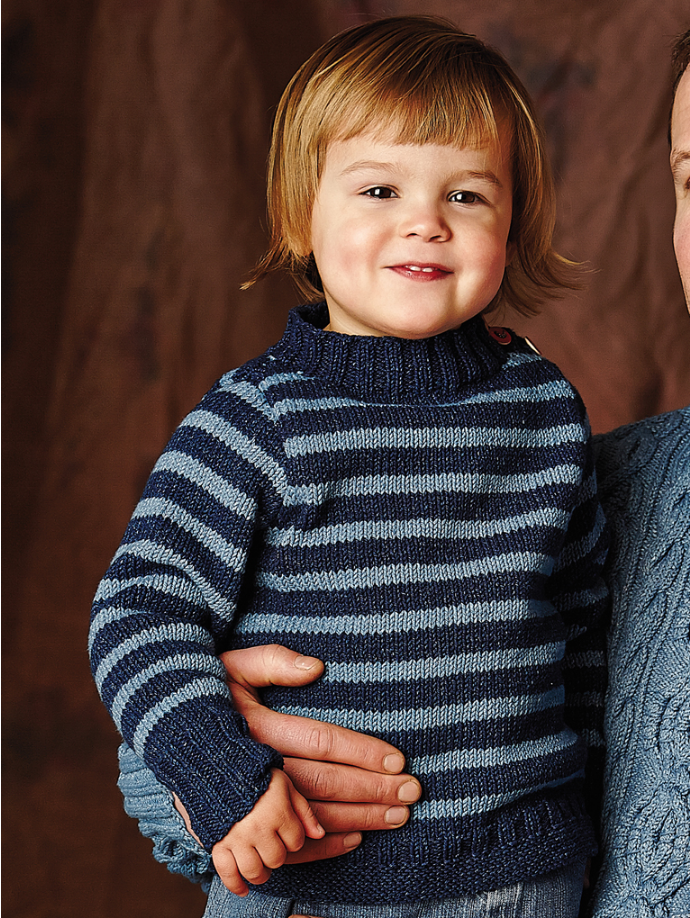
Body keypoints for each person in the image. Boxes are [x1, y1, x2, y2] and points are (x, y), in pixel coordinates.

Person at [120, 25, 690, 918]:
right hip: (307, 881)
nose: (426, 221)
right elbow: (140, 609)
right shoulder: (258, 417)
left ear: (513, 225)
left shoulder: (544, 409)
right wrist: (217, 771)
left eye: (466, 194)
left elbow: (582, 639)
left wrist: (575, 825)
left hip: (522, 878)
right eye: (380, 189)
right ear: (301, 214)